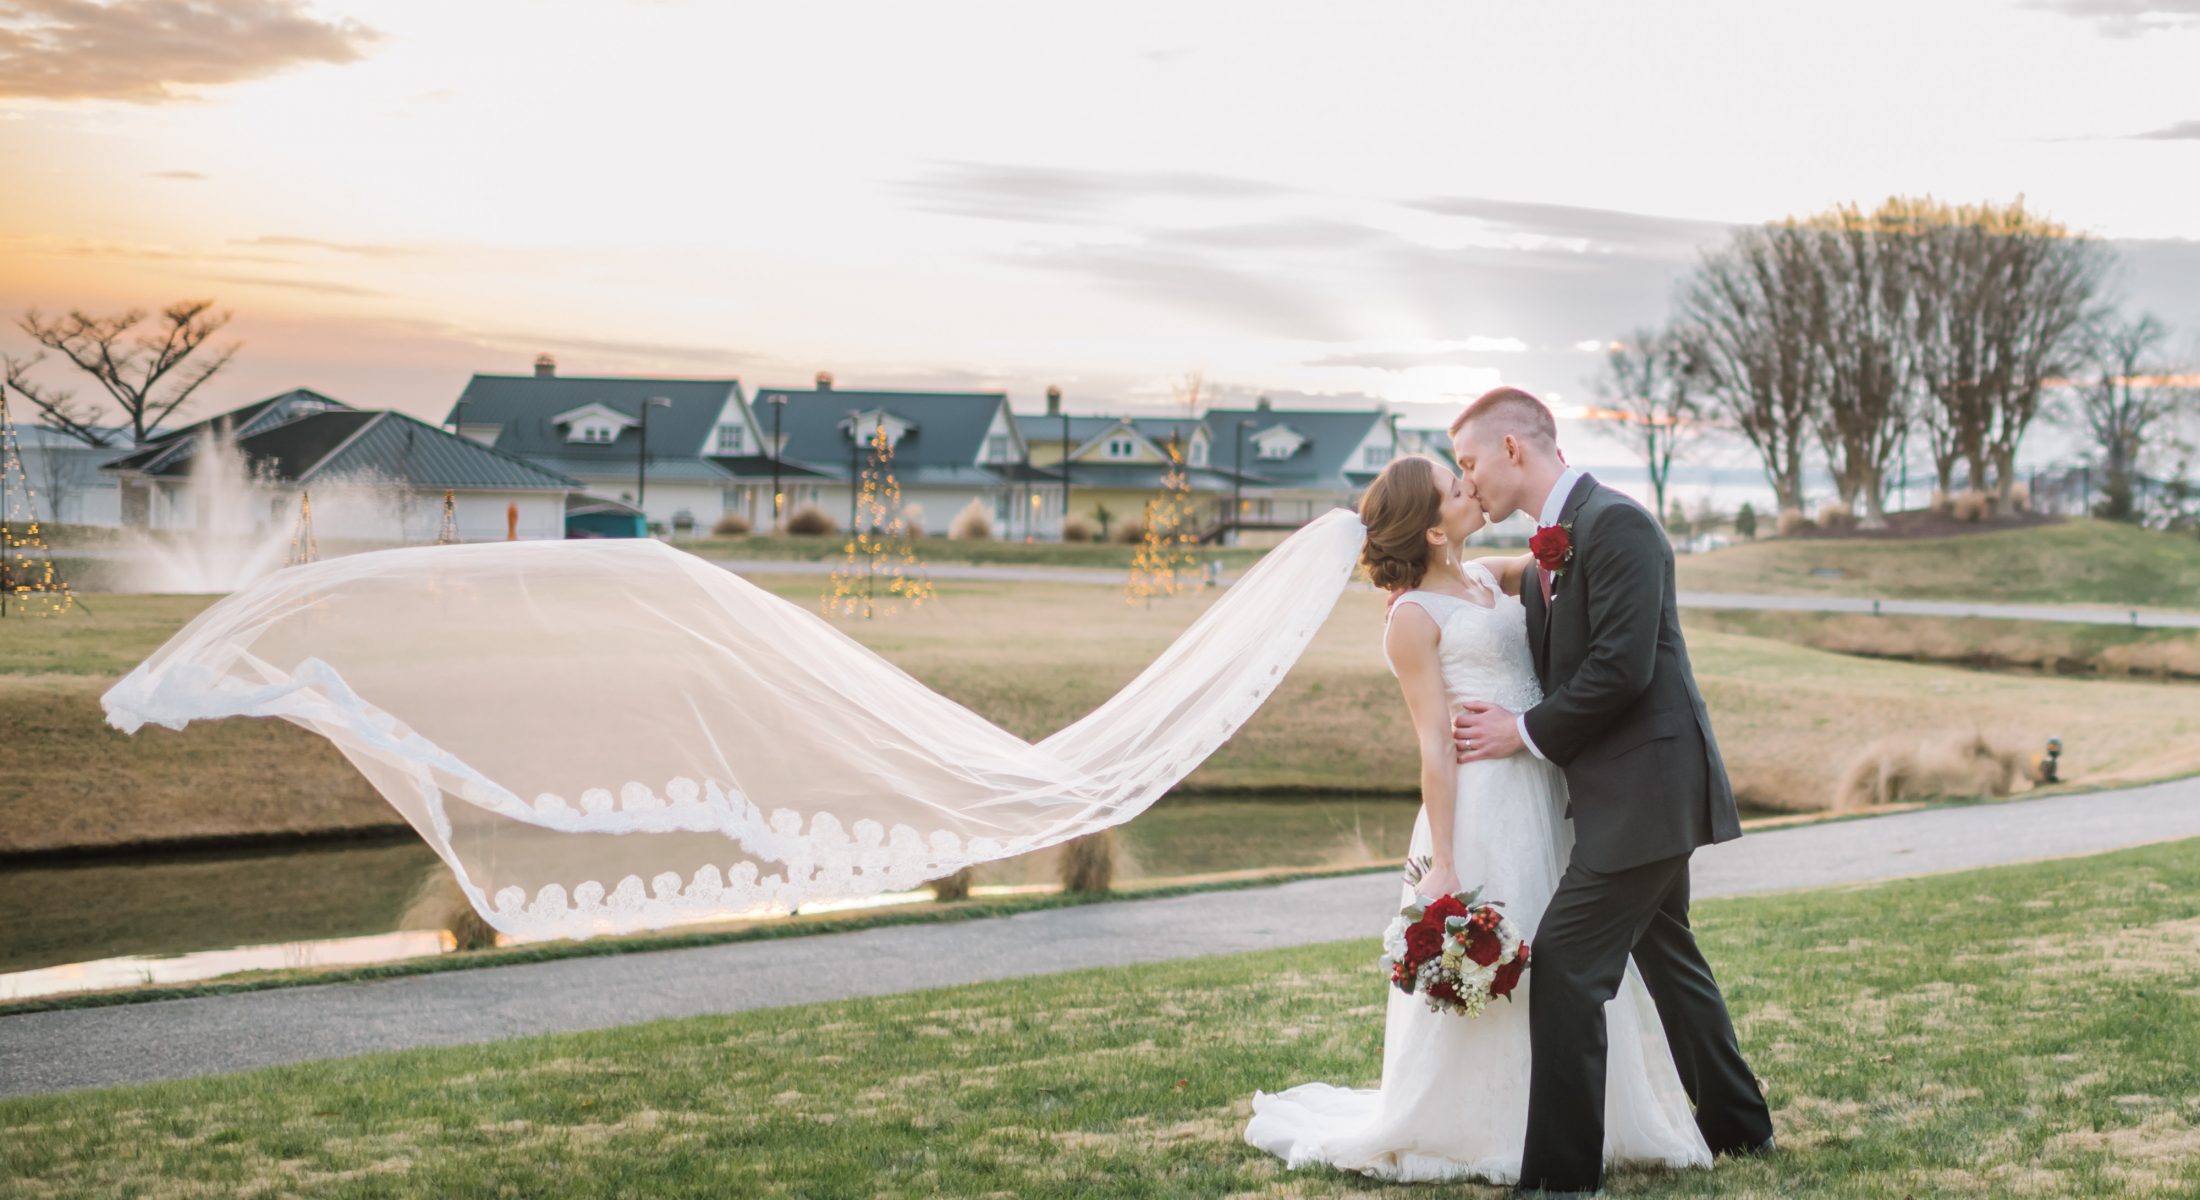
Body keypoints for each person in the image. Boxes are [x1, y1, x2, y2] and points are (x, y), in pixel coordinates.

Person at [1242, 446, 1712, 1189]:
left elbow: (1571, 564)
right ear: (1431, 528)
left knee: (1569, 963)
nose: (1469, 487)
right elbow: (1434, 745)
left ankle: (1576, 1119)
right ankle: (1486, 1126)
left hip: (1546, 794)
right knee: (1515, 959)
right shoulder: (1412, 619)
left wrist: (1597, 532)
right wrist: (1449, 865)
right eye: (1453, 484)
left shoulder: (1488, 577)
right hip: (1480, 807)